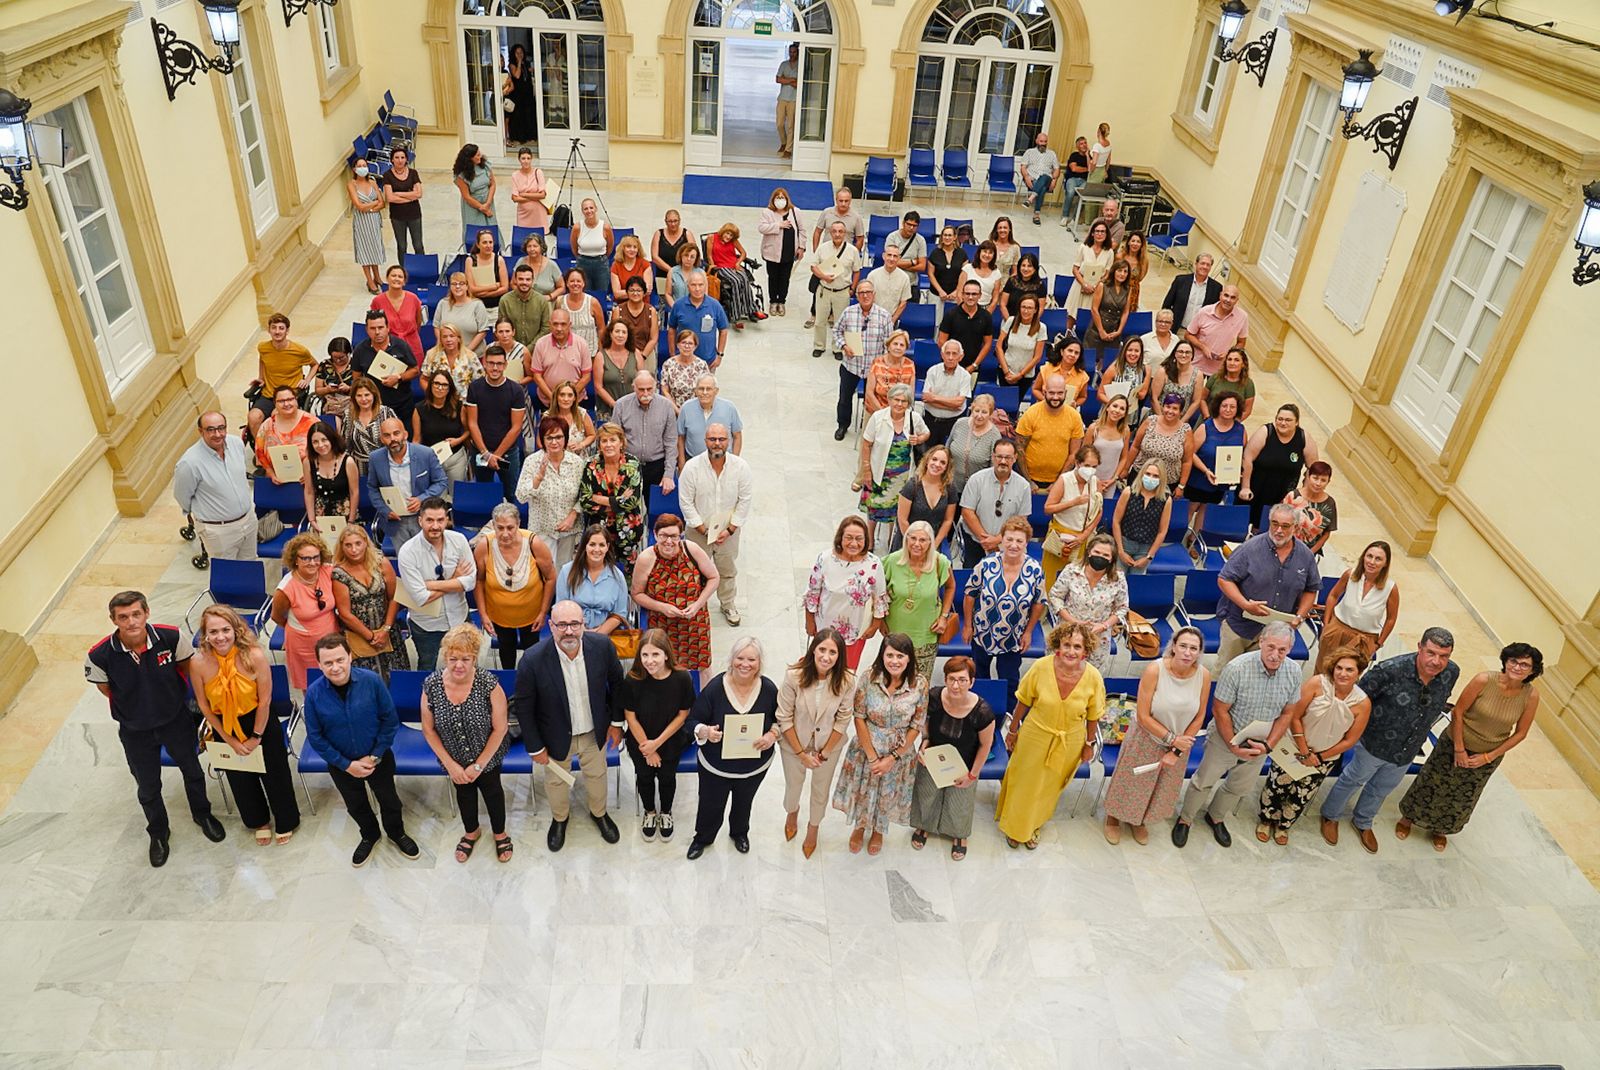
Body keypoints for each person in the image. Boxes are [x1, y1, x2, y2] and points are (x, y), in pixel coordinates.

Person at [86, 591, 225, 867]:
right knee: (148, 787)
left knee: (193, 771)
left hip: (175, 721)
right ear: (113, 620)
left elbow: (188, 671)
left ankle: (202, 814)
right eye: (123, 617)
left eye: (136, 614)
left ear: (147, 613)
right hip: (135, 731)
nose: (131, 622)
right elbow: (106, 690)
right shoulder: (99, 655)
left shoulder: (171, 637)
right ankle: (159, 833)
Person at [1319, 628, 1460, 853]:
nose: (1437, 661)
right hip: (1374, 742)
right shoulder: (1389, 671)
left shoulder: (1451, 672)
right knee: (1353, 779)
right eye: (1431, 653)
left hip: (1409, 747)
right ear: (1419, 648)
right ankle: (1330, 815)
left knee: (1382, 788)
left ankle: (1363, 821)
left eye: (1444, 656)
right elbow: (1358, 699)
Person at [1399, 642, 1542, 851]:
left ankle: (1441, 829)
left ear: (1533, 670)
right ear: (1505, 661)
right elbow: (1458, 712)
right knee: (1431, 781)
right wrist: (1459, 748)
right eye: (1514, 661)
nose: (1517, 667)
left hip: (1488, 755)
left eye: (1524, 665)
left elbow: (1520, 733)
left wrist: (1488, 757)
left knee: (1462, 794)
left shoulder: (1531, 695)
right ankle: (1408, 818)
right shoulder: (1484, 680)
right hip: (1455, 743)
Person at [1171, 622, 1301, 849]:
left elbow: (1288, 713)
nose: (1275, 655)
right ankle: (1186, 819)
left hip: (1260, 745)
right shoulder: (1237, 668)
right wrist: (1233, 744)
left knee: (1238, 787)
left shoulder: (1294, 672)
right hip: (1225, 739)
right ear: (1260, 642)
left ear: (1290, 649)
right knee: (1204, 782)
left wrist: (1268, 746)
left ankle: (1216, 816)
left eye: (1282, 650)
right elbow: (1220, 710)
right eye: (1270, 647)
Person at [514, 598, 627, 850]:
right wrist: (534, 747)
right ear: (551, 626)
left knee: (597, 776)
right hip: (553, 735)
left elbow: (618, 685)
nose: (569, 631)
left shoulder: (602, 646)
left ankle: (599, 813)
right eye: (562, 624)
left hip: (592, 731)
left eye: (574, 624)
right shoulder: (532, 660)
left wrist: (617, 723)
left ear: (583, 624)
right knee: (556, 782)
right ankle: (559, 819)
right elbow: (524, 706)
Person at [302, 634, 418, 865]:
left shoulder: (371, 681)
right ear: (319, 664)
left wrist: (374, 756)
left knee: (389, 800)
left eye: (340, 660)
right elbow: (315, 737)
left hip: (378, 758)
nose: (335, 667)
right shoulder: (314, 694)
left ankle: (397, 833)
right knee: (355, 804)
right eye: (328, 663)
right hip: (341, 764)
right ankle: (369, 835)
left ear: (350, 657)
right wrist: (347, 765)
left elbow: (389, 720)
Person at [189, 604, 300, 846]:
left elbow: (265, 700)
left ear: (236, 629)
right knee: (240, 778)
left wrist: (255, 737)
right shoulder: (198, 663)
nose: (220, 637)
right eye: (213, 631)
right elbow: (204, 706)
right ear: (205, 634)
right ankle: (258, 821)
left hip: (259, 721)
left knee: (275, 775)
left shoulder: (255, 656)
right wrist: (229, 740)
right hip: (224, 725)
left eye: (225, 630)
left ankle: (286, 819)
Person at [995, 621, 1104, 849]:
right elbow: (1023, 702)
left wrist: (1089, 744)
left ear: (1085, 651)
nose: (1071, 651)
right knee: (1024, 781)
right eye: (1067, 645)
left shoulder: (1094, 678)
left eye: (1077, 646)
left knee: (1048, 786)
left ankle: (1034, 824)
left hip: (1069, 741)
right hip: (1035, 733)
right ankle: (1015, 826)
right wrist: (1013, 731)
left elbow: (1093, 716)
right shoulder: (1041, 667)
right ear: (1057, 646)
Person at [1101, 627, 1209, 845]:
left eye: (1193, 648)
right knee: (1131, 781)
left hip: (1180, 743)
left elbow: (1199, 716)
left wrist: (1177, 749)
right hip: (1147, 737)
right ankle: (1113, 817)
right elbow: (1142, 716)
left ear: (1199, 652)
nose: (1188, 653)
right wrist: (1172, 739)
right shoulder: (1155, 670)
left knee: (1161, 786)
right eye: (1184, 646)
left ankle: (1139, 820)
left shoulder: (1203, 675)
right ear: (1174, 647)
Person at [1255, 646, 1372, 846]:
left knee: (1302, 793)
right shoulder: (1317, 683)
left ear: (1359, 673)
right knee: (1277, 785)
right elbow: (1295, 715)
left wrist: (1318, 757)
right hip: (1294, 745)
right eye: (1339, 668)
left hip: (1324, 757)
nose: (1343, 673)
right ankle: (1266, 819)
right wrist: (1303, 748)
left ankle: (1284, 825)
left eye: (1349, 670)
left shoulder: (1362, 703)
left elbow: (1350, 740)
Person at [421, 623, 513, 863]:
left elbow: (500, 728)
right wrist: (451, 765)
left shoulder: (488, 683)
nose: (458, 665)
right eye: (452, 659)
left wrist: (479, 765)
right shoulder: (431, 685)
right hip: (453, 756)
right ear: (445, 657)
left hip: (488, 755)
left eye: (465, 659)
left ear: (474, 659)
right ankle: (471, 831)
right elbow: (428, 730)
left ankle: (500, 833)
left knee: (493, 792)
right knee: (464, 793)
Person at [830, 633, 927, 855]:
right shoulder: (868, 677)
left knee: (887, 794)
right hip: (867, 748)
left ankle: (878, 831)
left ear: (909, 658)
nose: (894, 661)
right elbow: (859, 716)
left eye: (900, 656)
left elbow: (917, 724)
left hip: (898, 752)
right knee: (864, 790)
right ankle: (860, 826)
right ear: (882, 656)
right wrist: (873, 756)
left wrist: (893, 758)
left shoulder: (919, 684)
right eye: (889, 655)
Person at [686, 638, 781, 859]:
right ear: (731, 659)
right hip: (715, 767)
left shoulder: (768, 689)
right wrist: (705, 732)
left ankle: (739, 833)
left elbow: (781, 719)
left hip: (754, 766)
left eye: (751, 659)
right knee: (710, 804)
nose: (745, 664)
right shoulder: (716, 688)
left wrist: (771, 735)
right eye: (740, 658)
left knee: (744, 802)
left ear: (760, 662)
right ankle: (703, 838)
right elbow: (692, 722)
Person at [777, 628, 855, 858]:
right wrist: (801, 753)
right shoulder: (794, 676)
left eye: (833, 652)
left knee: (820, 790)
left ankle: (813, 828)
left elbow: (843, 719)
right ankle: (792, 813)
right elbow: (783, 717)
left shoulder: (847, 681)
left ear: (840, 656)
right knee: (793, 786)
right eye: (822, 649)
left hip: (827, 746)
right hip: (794, 743)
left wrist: (825, 752)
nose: (826, 657)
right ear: (813, 650)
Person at [909, 656, 995, 859]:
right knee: (926, 792)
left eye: (962, 680)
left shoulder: (982, 711)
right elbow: (925, 722)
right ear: (945, 679)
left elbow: (985, 745)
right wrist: (925, 741)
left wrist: (972, 775)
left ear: (972, 682)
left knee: (960, 801)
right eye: (952, 679)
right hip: (935, 755)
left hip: (964, 762)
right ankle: (924, 825)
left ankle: (958, 835)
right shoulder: (935, 697)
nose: (956, 686)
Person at [1214, 502, 1320, 665]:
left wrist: (1300, 616)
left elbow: (1311, 589)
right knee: (1225, 672)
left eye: (1285, 526)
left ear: (1296, 528)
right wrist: (1245, 605)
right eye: (1275, 524)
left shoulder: (1305, 556)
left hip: (1275, 633)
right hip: (1239, 627)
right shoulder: (1250, 548)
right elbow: (1224, 579)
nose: (1279, 530)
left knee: (1258, 678)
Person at [963, 516, 1047, 700]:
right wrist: (968, 625)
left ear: (1026, 543)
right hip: (983, 632)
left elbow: (1039, 602)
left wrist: (1029, 632)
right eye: (1009, 539)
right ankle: (980, 710)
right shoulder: (986, 565)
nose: (1013, 545)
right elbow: (970, 594)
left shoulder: (1035, 570)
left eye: (1019, 541)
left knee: (1009, 681)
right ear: (1002, 539)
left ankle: (1007, 715)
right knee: (979, 676)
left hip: (1014, 636)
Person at [622, 628, 695, 841]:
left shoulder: (682, 678)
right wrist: (647, 748)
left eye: (655, 654)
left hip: (669, 741)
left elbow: (683, 715)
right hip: (640, 741)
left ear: (666, 654)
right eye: (645, 655)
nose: (649, 661)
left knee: (666, 778)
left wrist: (657, 744)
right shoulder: (632, 679)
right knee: (644, 777)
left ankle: (665, 812)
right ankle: (650, 812)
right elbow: (630, 716)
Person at [631, 512, 719, 682]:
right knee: (666, 670)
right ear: (655, 535)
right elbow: (637, 594)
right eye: (663, 536)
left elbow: (714, 577)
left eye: (674, 536)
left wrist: (698, 604)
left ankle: (705, 704)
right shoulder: (646, 559)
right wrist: (662, 607)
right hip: (663, 624)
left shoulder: (691, 549)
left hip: (695, 622)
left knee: (704, 667)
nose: (669, 541)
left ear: (681, 536)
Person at [678, 423, 752, 624]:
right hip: (697, 531)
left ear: (728, 440)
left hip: (728, 532)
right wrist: (701, 528)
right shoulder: (692, 467)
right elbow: (685, 500)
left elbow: (745, 500)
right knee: (694, 571)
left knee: (727, 570)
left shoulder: (741, 467)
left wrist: (730, 529)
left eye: (721, 439)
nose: (717, 443)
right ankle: (694, 605)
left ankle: (728, 604)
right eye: (712, 439)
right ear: (705, 441)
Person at [397, 497, 476, 671]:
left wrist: (430, 584)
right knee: (427, 667)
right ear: (420, 520)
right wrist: (454, 580)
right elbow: (420, 598)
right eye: (429, 520)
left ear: (447, 519)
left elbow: (470, 582)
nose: (435, 526)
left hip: (459, 617)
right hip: (427, 624)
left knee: (465, 666)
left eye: (440, 520)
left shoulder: (459, 540)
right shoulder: (408, 552)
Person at [474, 502, 556, 670]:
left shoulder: (535, 543)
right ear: (493, 526)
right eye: (500, 528)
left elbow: (550, 578)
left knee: (533, 656)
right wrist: (483, 614)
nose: (505, 534)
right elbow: (479, 580)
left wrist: (543, 612)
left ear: (518, 525)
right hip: (499, 617)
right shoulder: (485, 545)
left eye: (510, 528)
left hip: (532, 616)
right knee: (506, 653)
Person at [803, 515, 889, 670]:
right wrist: (809, 621)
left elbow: (880, 598)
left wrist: (875, 625)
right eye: (849, 537)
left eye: (859, 538)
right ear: (840, 538)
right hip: (824, 629)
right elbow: (812, 593)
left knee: (846, 674)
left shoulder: (874, 563)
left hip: (855, 631)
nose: (854, 543)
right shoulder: (825, 559)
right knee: (821, 670)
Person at [174, 411, 256, 566]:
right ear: (200, 431)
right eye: (211, 429)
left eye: (221, 428)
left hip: (248, 521)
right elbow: (182, 496)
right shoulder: (190, 463)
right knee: (227, 577)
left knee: (249, 568)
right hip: (219, 532)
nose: (218, 434)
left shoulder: (236, 443)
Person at [882, 517, 954, 686]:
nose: (917, 544)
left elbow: (950, 587)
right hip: (895, 634)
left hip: (926, 634)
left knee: (920, 686)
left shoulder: (939, 562)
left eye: (923, 540)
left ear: (930, 542)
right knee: (893, 682)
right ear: (906, 539)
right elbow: (876, 591)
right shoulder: (891, 561)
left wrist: (944, 616)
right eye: (912, 538)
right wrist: (879, 621)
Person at [856, 384, 929, 550]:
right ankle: (870, 540)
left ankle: (891, 541)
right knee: (874, 508)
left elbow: (926, 433)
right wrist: (866, 470)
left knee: (898, 510)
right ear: (889, 400)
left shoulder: (914, 418)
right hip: (878, 471)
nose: (900, 404)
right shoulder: (878, 417)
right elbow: (866, 444)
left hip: (903, 475)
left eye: (904, 401)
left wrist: (918, 439)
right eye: (896, 400)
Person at [330, 524, 407, 680]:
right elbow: (344, 614)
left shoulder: (381, 563)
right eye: (348, 545)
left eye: (358, 543)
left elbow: (394, 597)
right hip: (359, 636)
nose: (354, 549)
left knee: (396, 680)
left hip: (388, 632)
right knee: (366, 683)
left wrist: (385, 630)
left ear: (366, 542)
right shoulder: (338, 573)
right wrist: (371, 637)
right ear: (342, 547)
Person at [1047, 532, 1128, 671]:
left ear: (1111, 559)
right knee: (1058, 674)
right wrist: (1071, 620)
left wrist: (1104, 625)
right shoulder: (1072, 570)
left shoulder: (1118, 578)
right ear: (1089, 552)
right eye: (1097, 552)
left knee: (1089, 680)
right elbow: (1055, 596)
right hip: (1067, 635)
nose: (1100, 557)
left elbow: (1122, 608)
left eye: (1105, 555)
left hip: (1097, 640)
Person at [269, 532, 339, 690]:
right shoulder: (286, 588)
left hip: (332, 638)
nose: (312, 563)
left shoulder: (327, 571)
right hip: (303, 645)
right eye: (306, 558)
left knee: (336, 681)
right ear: (295, 560)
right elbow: (277, 616)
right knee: (312, 687)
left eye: (316, 557)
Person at [516, 415, 586, 567]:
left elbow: (585, 495)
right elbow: (521, 496)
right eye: (549, 438)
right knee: (545, 574)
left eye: (559, 437)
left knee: (564, 575)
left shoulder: (576, 463)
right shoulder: (532, 462)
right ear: (542, 439)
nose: (554, 442)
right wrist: (538, 479)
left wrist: (573, 515)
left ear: (565, 438)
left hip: (570, 530)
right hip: (542, 530)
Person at [367, 417, 446, 549]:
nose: (392, 438)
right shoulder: (375, 458)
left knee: (429, 559)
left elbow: (441, 481)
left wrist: (422, 499)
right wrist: (385, 510)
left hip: (423, 517)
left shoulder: (425, 454)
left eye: (396, 433)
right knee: (404, 561)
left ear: (405, 434)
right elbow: (372, 488)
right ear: (382, 439)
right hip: (396, 522)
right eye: (387, 435)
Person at [829, 276, 893, 440]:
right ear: (856, 295)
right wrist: (843, 345)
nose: (865, 296)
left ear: (874, 294)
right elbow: (836, 331)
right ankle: (842, 425)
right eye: (861, 292)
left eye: (868, 292)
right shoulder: (848, 312)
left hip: (873, 369)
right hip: (851, 365)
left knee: (872, 399)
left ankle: (869, 428)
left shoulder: (884, 316)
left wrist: (884, 363)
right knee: (844, 398)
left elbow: (889, 343)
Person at [580, 422, 647, 575]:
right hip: (599, 530)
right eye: (604, 441)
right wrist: (618, 501)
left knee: (629, 576)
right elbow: (585, 502)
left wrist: (599, 499)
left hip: (628, 529)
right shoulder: (590, 465)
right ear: (599, 445)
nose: (608, 445)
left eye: (612, 440)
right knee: (599, 572)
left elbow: (632, 502)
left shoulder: (632, 463)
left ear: (621, 442)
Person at [1240, 403, 1320, 532]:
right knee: (1243, 525)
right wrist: (1245, 487)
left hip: (1282, 495)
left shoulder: (1304, 438)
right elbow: (1247, 458)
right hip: (1256, 489)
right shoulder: (1266, 431)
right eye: (1280, 419)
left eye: (1288, 420)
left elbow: (1313, 468)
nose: (1283, 423)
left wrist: (1305, 494)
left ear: (1297, 422)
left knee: (1268, 530)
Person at [464, 346, 528, 502]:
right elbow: (472, 423)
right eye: (491, 363)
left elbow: (516, 427)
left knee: (512, 494)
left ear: (505, 365)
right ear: (484, 363)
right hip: (481, 452)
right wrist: (486, 454)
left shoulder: (516, 390)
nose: (495, 368)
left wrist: (496, 456)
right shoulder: (475, 388)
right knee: (483, 494)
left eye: (499, 364)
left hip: (507, 454)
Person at [1319, 540, 1400, 661]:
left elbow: (1391, 619)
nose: (1372, 562)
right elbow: (1333, 596)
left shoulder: (1390, 588)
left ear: (1385, 563)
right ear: (1363, 557)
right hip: (1337, 630)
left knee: (1346, 676)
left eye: (1378, 559)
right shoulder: (1350, 575)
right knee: (1322, 670)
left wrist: (1378, 644)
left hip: (1364, 639)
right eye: (1369, 556)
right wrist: (1327, 624)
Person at [958, 438, 1031, 568]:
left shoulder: (1024, 486)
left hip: (1007, 546)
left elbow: (1021, 520)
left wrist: (998, 540)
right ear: (993, 457)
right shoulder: (976, 479)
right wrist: (985, 540)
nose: (1003, 461)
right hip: (975, 544)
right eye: (999, 457)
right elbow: (967, 512)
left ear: (1015, 458)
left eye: (1008, 457)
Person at [1041, 446, 1105, 589]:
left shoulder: (1096, 482)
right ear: (1077, 463)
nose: (1090, 470)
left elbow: (1098, 511)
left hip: (1083, 539)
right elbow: (1048, 508)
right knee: (1050, 580)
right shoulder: (1064, 480)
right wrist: (1073, 502)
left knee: (1075, 583)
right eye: (1087, 465)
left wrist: (1084, 535)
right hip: (1061, 537)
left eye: (1094, 466)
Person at [1184, 389, 1245, 539]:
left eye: (1232, 407)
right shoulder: (1206, 426)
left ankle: (1193, 540)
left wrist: (1237, 472)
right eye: (1225, 406)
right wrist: (1205, 470)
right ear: (1218, 406)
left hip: (1221, 480)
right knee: (1191, 508)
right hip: (1199, 477)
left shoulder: (1241, 430)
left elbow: (1240, 455)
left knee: (1206, 510)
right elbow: (1190, 453)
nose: (1228, 410)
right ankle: (1178, 537)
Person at [247, 312, 315, 441]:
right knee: (253, 417)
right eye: (274, 327)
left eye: (281, 328)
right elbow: (262, 359)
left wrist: (306, 380)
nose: (277, 332)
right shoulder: (263, 347)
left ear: (287, 331)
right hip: (269, 394)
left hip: (288, 396)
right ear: (269, 330)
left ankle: (278, 451)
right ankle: (261, 449)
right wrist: (261, 377)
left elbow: (315, 365)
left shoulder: (299, 351)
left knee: (275, 416)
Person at [556, 525, 633, 636]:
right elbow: (560, 608)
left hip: (606, 636)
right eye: (592, 544)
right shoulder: (566, 571)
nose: (597, 550)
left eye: (601, 545)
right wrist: (579, 631)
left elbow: (619, 614)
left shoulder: (618, 577)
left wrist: (598, 635)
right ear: (585, 546)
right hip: (572, 633)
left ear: (607, 547)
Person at [1015, 374, 1086, 492]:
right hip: (1029, 480)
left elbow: (1074, 454)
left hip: (1060, 481)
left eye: (1059, 393)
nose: (1055, 397)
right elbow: (1019, 448)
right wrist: (1028, 481)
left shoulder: (1074, 417)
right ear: (1044, 391)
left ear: (1066, 392)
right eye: (1052, 393)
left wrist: (1059, 482)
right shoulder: (1031, 413)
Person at [613, 371, 678, 493]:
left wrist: (668, 475)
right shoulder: (621, 405)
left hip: (656, 467)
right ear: (634, 387)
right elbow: (615, 440)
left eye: (649, 389)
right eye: (641, 389)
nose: (646, 393)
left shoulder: (666, 406)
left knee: (655, 510)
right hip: (628, 465)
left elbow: (671, 442)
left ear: (656, 386)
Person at [352, 308, 419, 423]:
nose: (377, 332)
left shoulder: (400, 346)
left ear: (388, 328)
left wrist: (398, 377)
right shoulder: (360, 350)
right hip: (374, 407)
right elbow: (356, 379)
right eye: (373, 328)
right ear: (366, 330)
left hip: (402, 404)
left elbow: (415, 370)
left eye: (380, 327)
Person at [1112, 458, 1174, 577]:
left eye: (1156, 476)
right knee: (1117, 581)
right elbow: (1116, 521)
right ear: (1142, 474)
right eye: (1148, 474)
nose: (1151, 478)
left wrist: (1149, 557)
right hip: (1124, 543)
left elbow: (1162, 531)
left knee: (1136, 581)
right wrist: (1120, 550)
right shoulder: (1128, 492)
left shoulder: (1166, 500)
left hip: (1146, 548)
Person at [411, 370, 472, 488]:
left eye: (444, 385)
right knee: (438, 499)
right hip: (432, 460)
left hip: (455, 458)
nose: (440, 388)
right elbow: (416, 439)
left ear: (450, 388)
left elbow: (469, 431)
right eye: (436, 383)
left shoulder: (459, 407)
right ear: (431, 385)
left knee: (456, 496)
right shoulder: (419, 409)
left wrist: (458, 440)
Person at [1120, 393, 1194, 491]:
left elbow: (1187, 461)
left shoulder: (1186, 431)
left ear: (1181, 412)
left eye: (1175, 408)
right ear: (1163, 407)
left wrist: (1181, 486)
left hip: (1167, 482)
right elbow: (1135, 447)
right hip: (1140, 475)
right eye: (1168, 407)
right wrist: (1125, 469)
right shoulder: (1150, 421)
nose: (1170, 411)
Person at [812, 219, 862, 360]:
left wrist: (852, 288)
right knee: (820, 321)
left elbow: (857, 271)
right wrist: (823, 276)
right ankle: (819, 346)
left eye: (840, 231)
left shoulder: (853, 251)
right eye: (834, 231)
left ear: (845, 233)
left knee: (839, 322)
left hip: (842, 291)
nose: (837, 234)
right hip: (824, 290)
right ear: (830, 232)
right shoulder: (823, 248)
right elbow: (813, 266)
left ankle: (837, 347)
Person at [528, 306, 592, 407]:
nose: (559, 328)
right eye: (555, 324)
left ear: (569, 325)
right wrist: (553, 398)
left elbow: (586, 376)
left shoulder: (581, 344)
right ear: (549, 325)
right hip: (548, 402)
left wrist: (569, 397)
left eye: (563, 324)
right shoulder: (541, 344)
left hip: (576, 402)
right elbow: (537, 376)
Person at [668, 269, 731, 371]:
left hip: (708, 362)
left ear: (705, 286)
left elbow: (723, 330)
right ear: (688, 287)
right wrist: (672, 354)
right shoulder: (678, 305)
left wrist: (719, 355)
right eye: (693, 285)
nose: (697, 289)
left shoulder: (715, 305)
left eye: (700, 285)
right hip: (683, 361)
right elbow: (671, 329)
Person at [898, 445, 957, 551]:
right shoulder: (912, 486)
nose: (937, 464)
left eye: (943, 462)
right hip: (908, 541)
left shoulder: (950, 489)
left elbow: (948, 520)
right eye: (934, 459)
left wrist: (934, 545)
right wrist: (914, 544)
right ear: (927, 460)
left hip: (934, 542)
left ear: (947, 468)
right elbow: (902, 520)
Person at [255, 385, 318, 485]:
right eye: (281, 401)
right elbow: (260, 452)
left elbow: (325, 453)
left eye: (290, 399)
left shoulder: (312, 422)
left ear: (296, 400)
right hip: (275, 480)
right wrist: (271, 473)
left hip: (308, 480)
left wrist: (311, 474)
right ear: (275, 404)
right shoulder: (267, 425)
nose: (286, 404)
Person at [678, 373, 743, 465]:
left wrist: (734, 462)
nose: (704, 392)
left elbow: (737, 436)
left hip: (723, 461)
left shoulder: (729, 408)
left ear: (716, 391)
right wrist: (681, 464)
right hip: (694, 462)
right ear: (695, 391)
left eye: (708, 389)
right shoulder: (686, 408)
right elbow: (680, 437)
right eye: (701, 389)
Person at [707, 223, 765, 327]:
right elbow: (709, 255)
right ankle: (736, 315)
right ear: (723, 231)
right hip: (721, 267)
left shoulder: (733, 241)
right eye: (727, 234)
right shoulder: (712, 238)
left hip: (733, 265)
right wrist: (712, 266)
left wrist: (738, 263)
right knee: (736, 281)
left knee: (745, 279)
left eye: (731, 235)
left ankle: (752, 310)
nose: (728, 237)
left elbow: (743, 253)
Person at [1183, 284, 1249, 376]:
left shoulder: (1242, 317)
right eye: (1226, 295)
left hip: (1220, 370)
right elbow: (1188, 335)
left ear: (1237, 301)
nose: (1228, 300)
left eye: (1233, 298)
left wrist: (1229, 354)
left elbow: (1241, 342)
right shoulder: (1204, 312)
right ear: (1220, 295)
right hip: (1196, 365)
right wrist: (1203, 347)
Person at [757, 187, 803, 316]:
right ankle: (773, 301)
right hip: (772, 253)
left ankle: (781, 301)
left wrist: (801, 247)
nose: (780, 200)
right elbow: (762, 228)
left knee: (785, 278)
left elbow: (802, 231)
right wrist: (778, 225)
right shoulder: (767, 212)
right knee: (773, 277)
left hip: (789, 252)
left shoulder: (795, 212)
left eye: (782, 197)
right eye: (778, 197)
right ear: (773, 199)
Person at [304, 421, 360, 524]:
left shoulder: (348, 462)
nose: (320, 445)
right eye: (315, 442)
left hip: (346, 516)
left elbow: (354, 492)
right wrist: (312, 519)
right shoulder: (308, 462)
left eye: (324, 440)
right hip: (320, 517)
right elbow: (309, 492)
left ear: (332, 439)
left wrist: (351, 521)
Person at [946, 393, 1002, 497]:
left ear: (990, 414)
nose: (979, 415)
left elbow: (994, 466)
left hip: (977, 490)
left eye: (984, 412)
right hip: (951, 485)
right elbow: (947, 449)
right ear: (972, 408)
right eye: (976, 411)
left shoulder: (995, 435)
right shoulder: (960, 423)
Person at [938, 279, 996, 377]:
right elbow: (941, 341)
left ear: (980, 296)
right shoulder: (951, 314)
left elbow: (987, 343)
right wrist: (953, 361)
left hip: (972, 368)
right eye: (967, 294)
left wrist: (974, 365)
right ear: (962, 295)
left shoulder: (986, 316)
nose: (970, 297)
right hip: (950, 366)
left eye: (974, 294)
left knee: (969, 392)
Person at [922, 339, 973, 447]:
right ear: (942, 354)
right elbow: (927, 398)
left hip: (953, 423)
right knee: (927, 454)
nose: (950, 357)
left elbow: (959, 403)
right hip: (931, 421)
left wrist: (934, 398)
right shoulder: (932, 371)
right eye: (947, 353)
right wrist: (951, 404)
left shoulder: (965, 376)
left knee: (949, 455)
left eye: (954, 354)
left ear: (961, 356)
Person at [1088, 259, 1134, 376]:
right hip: (1097, 330)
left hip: (1114, 331)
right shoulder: (1102, 285)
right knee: (1090, 365)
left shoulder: (1128, 289)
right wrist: (1101, 331)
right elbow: (1094, 309)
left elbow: (1125, 312)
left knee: (1108, 367)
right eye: (1119, 270)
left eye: (1125, 271)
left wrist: (1119, 331)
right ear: (1114, 271)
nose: (1122, 274)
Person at [347, 158, 386, 294]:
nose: (363, 168)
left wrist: (370, 206)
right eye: (360, 166)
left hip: (374, 220)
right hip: (362, 222)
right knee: (365, 250)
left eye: (365, 165)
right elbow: (359, 206)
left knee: (374, 247)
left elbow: (382, 202)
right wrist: (373, 204)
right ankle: (370, 281)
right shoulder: (352, 185)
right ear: (354, 169)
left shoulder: (373, 183)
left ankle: (377, 277)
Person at [372, 264, 425, 362]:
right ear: (387, 279)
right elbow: (373, 325)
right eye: (393, 275)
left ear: (404, 282)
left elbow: (418, 322)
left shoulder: (413, 299)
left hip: (412, 345)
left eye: (400, 276)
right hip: (388, 346)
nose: (396, 278)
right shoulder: (377, 301)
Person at [420, 322, 485, 401]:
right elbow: (423, 379)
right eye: (444, 337)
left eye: (452, 336)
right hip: (439, 402)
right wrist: (432, 395)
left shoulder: (471, 356)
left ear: (458, 338)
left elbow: (480, 382)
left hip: (464, 403)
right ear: (440, 339)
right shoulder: (432, 354)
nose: (448, 340)